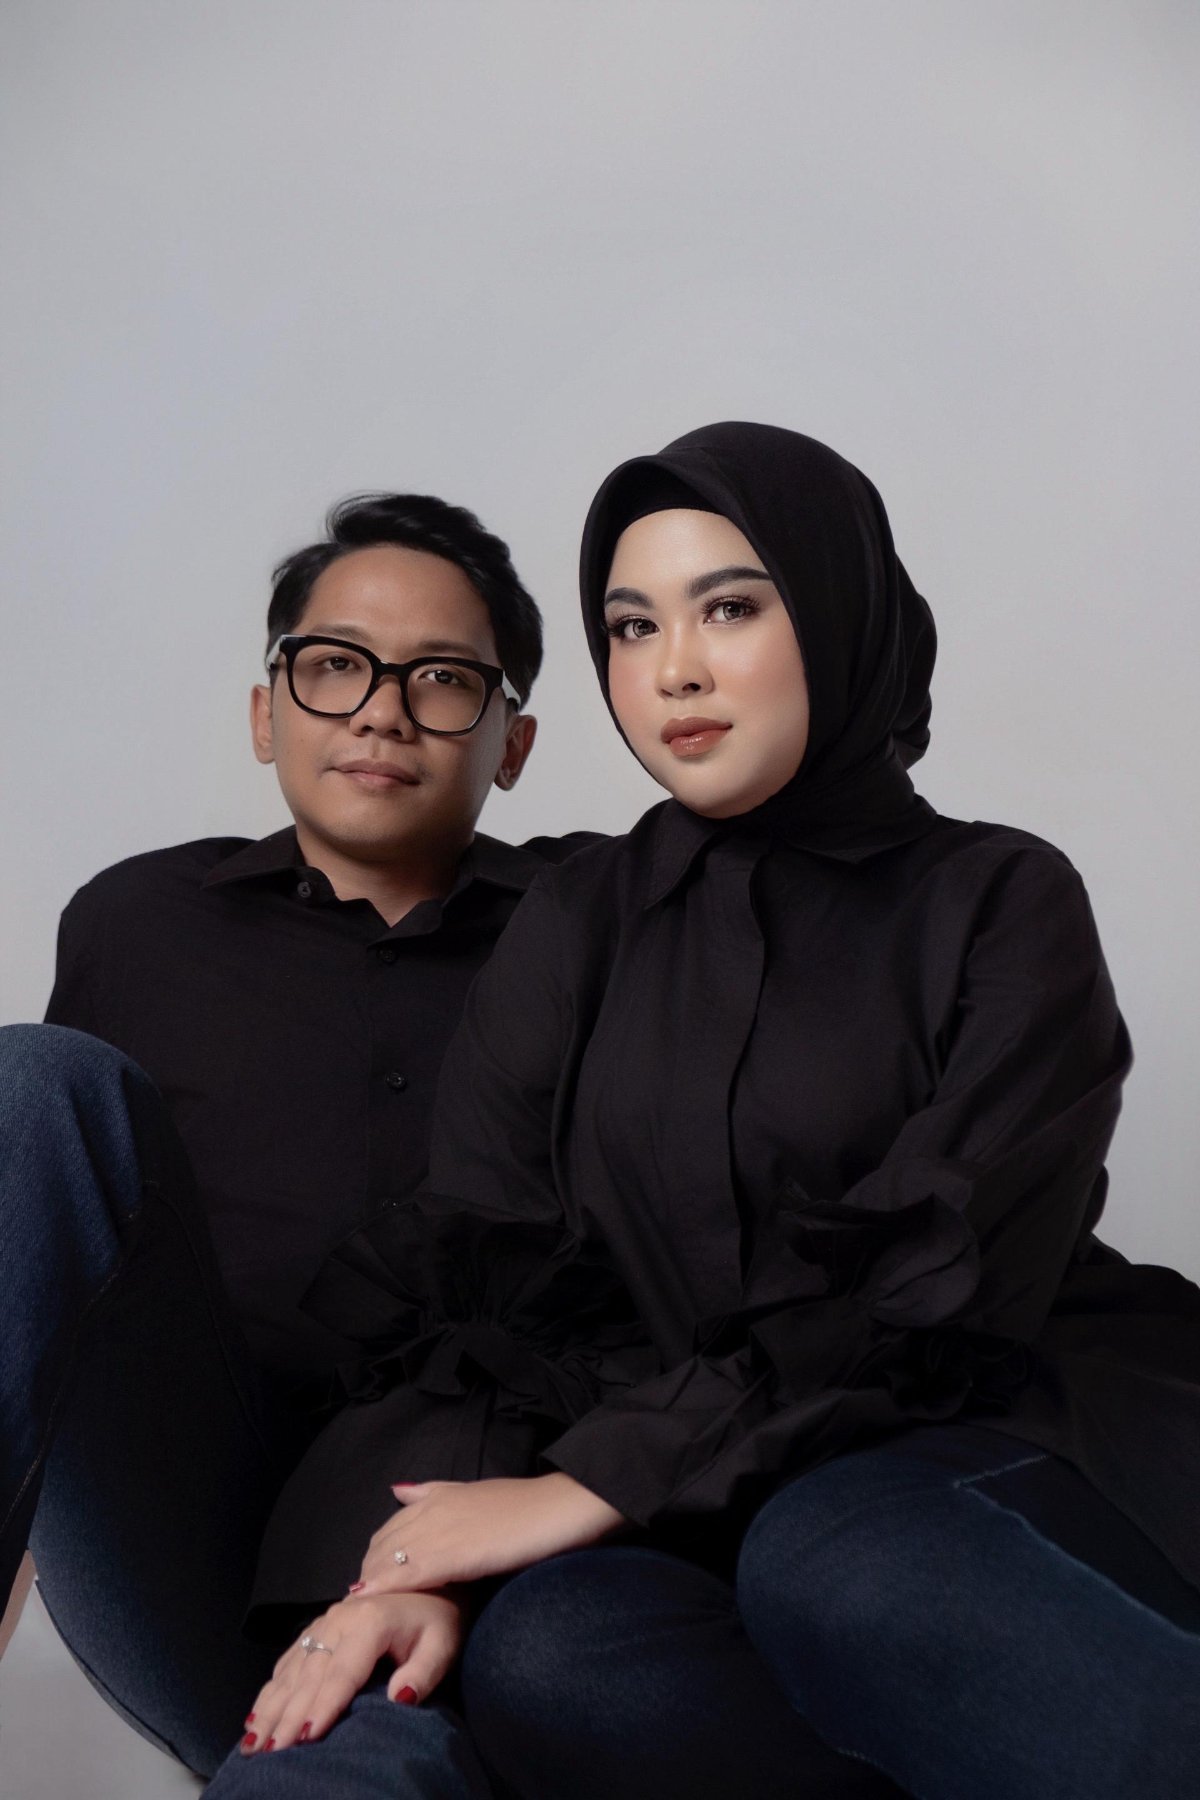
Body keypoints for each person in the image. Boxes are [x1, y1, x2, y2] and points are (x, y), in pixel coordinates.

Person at [217, 424, 1200, 1800]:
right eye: (632, 626)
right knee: (553, 1648)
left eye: (729, 608)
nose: (672, 667)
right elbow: (487, 1274)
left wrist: (599, 1482)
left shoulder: (998, 896)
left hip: (993, 1437)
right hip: (701, 1492)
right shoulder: (578, 923)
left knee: (832, 1555)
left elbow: (940, 1276)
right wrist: (418, 1562)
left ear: (839, 614)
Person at [0, 490, 596, 1788]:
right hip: (184, 1518)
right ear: (267, 711)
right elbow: (34, 1247)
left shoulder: (601, 919)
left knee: (367, 1764)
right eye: (335, 666)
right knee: (32, 1082)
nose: (382, 711)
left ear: (514, 743)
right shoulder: (139, 921)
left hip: (466, 1519)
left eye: (442, 679)